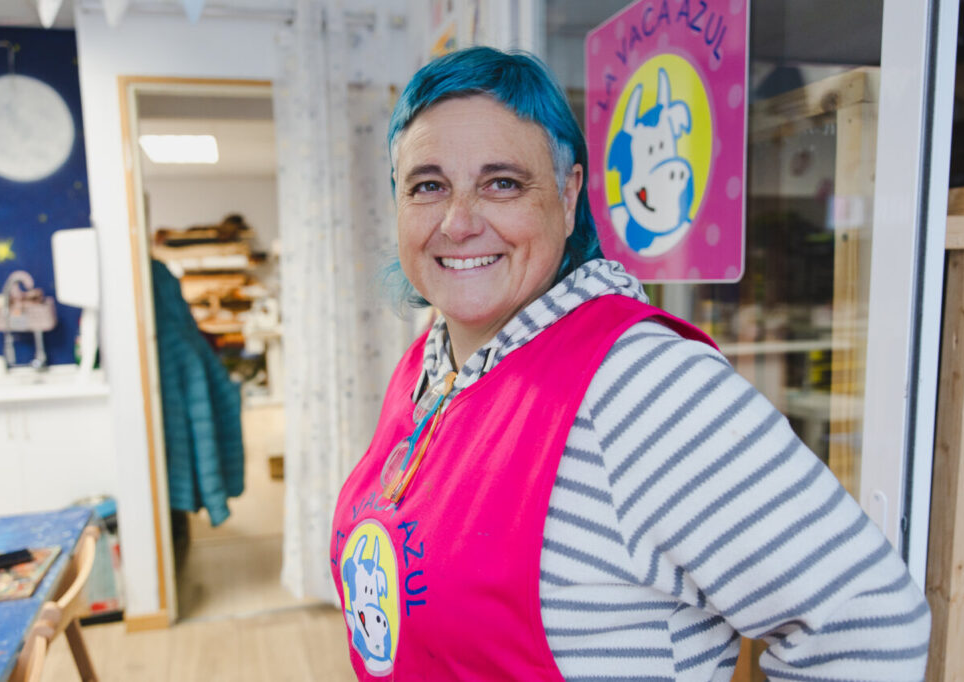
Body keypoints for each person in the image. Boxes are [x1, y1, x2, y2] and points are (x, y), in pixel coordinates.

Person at [329, 46, 930, 681]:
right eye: (429, 186)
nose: (458, 221)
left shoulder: (642, 386)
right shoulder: (427, 367)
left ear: (567, 198)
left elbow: (866, 621)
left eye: (502, 182)